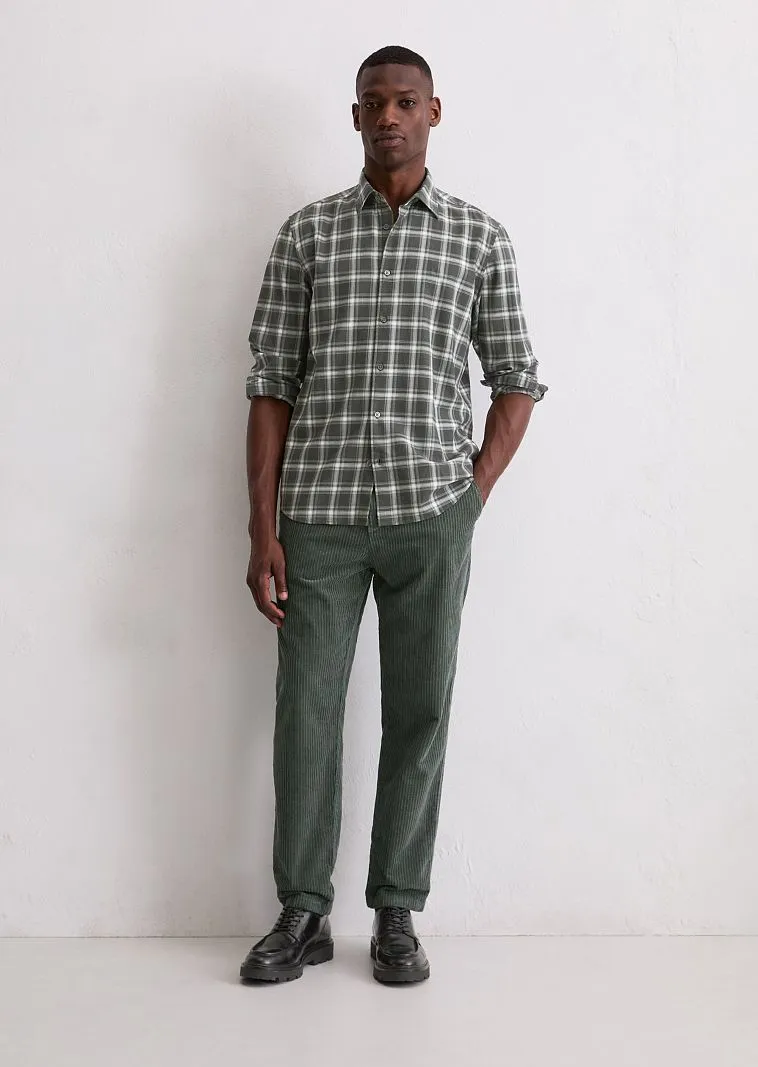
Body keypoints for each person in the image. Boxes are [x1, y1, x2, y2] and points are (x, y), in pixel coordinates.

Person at [239, 44, 547, 986]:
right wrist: (261, 528)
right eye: (373, 102)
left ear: (433, 112)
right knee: (306, 715)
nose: (389, 117)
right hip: (318, 516)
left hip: (430, 515)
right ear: (355, 115)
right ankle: (303, 910)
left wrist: (471, 496)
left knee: (421, 713)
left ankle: (398, 911)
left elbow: (516, 377)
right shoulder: (307, 235)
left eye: (406, 101)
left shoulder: (478, 238)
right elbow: (270, 383)